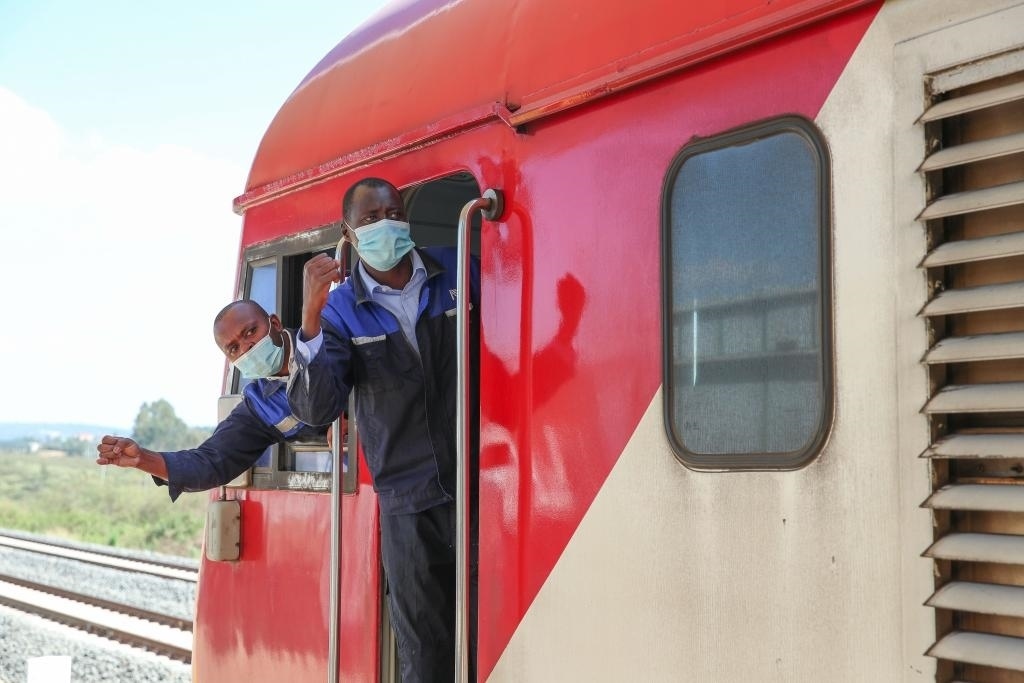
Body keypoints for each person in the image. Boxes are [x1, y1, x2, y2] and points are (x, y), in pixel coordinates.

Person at [288, 177, 478, 683]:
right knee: (426, 652)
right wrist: (309, 317)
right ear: (348, 233)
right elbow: (316, 409)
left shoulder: (458, 269)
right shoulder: (338, 310)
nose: (385, 225)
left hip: (479, 490)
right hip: (407, 503)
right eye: (370, 219)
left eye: (393, 213)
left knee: (491, 634)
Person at [96, 300, 332, 500]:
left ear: (275, 324)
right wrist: (142, 459)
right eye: (234, 348)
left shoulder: (325, 339)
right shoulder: (260, 406)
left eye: (250, 332)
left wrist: (345, 418)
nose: (247, 348)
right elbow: (209, 463)